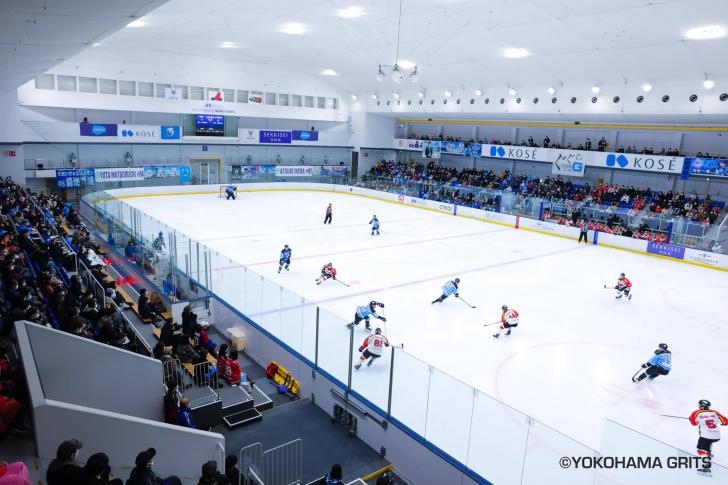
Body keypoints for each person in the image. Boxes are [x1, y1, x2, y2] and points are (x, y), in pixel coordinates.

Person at [689, 400, 727, 476]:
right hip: (716, 436)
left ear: (701, 406)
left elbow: (694, 423)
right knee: (709, 443)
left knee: (701, 450)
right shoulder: (714, 412)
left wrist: (690, 418)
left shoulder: (696, 413)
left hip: (705, 436)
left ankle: (706, 468)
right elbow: (726, 422)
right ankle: (708, 454)